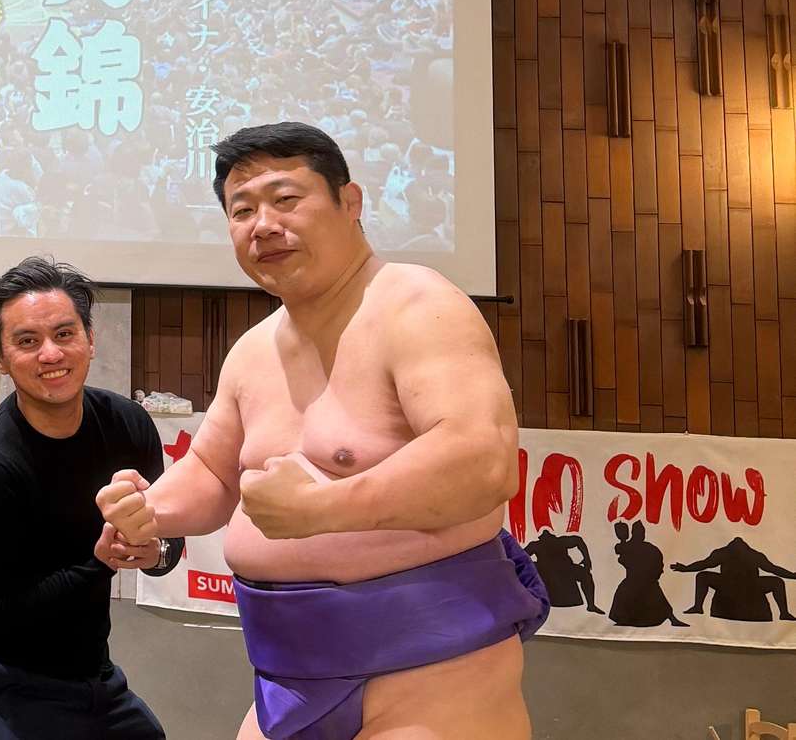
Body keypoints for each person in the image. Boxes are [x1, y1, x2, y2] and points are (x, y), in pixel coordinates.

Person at [98, 121, 548, 740]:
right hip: (285, 676)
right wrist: (148, 511)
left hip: (430, 676)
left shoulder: (417, 304)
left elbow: (481, 460)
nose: (263, 225)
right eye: (242, 210)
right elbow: (211, 473)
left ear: (350, 202)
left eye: (286, 199)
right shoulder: (253, 350)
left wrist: (324, 508)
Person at [0, 257, 172, 740]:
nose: (50, 354)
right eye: (27, 341)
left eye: (64, 334)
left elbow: (170, 535)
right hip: (0, 678)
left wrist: (156, 552)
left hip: (93, 672)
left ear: (90, 339)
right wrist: (99, 565)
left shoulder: (127, 425)